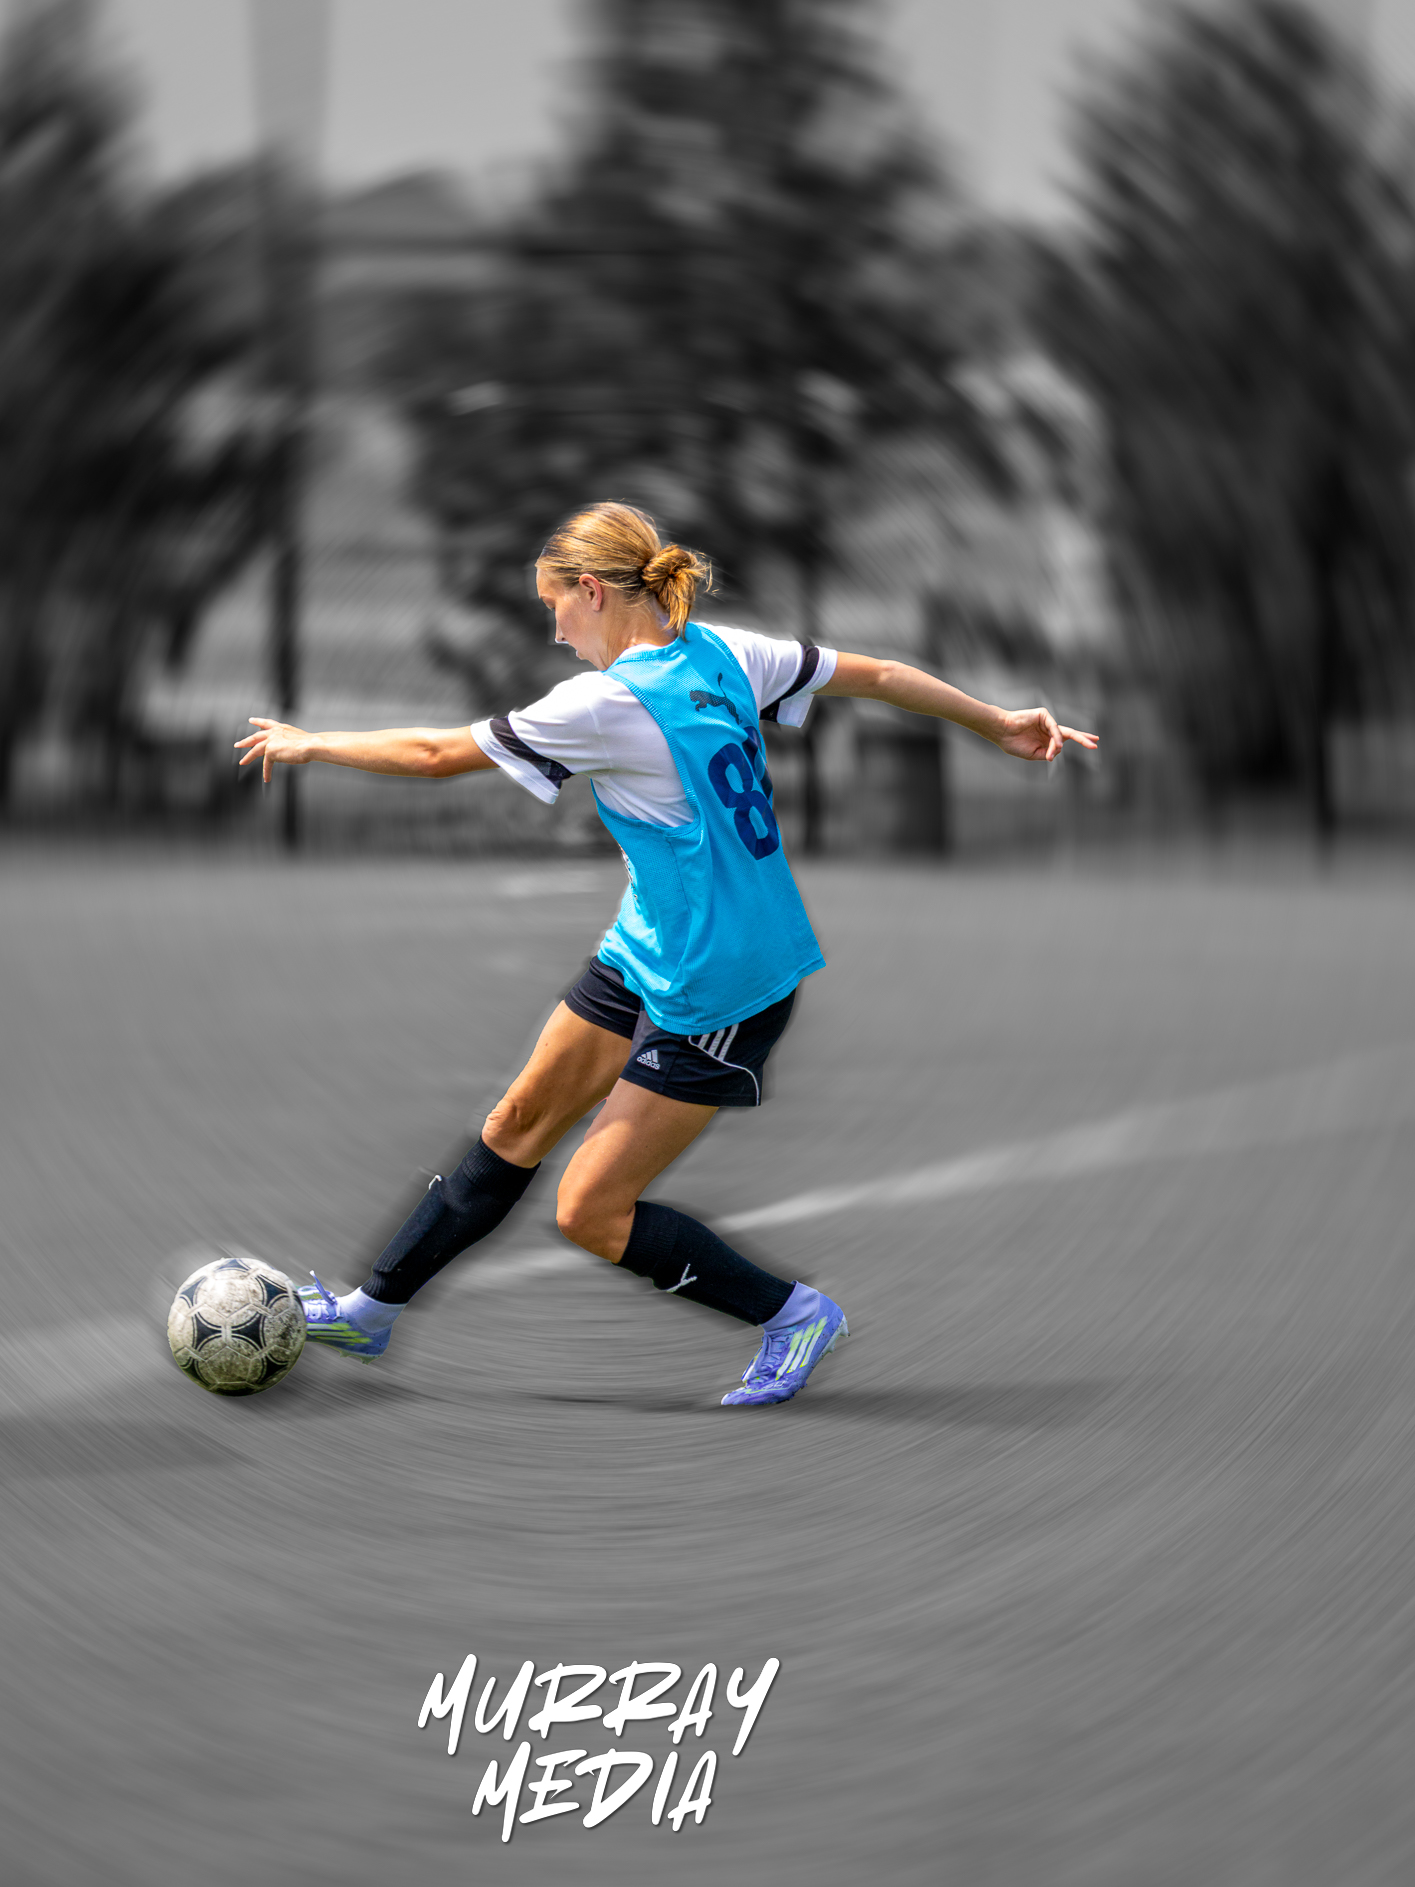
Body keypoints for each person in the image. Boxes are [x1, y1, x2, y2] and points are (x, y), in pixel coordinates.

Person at [236, 502, 1096, 1408]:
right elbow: (877, 673)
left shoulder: (606, 703)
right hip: (650, 944)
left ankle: (792, 1315)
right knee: (519, 1119)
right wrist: (996, 720)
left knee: (590, 1210)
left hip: (725, 985)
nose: (555, 628)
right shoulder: (725, 653)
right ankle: (370, 1313)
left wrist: (312, 742)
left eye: (555, 606)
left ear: (594, 592)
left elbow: (438, 752)